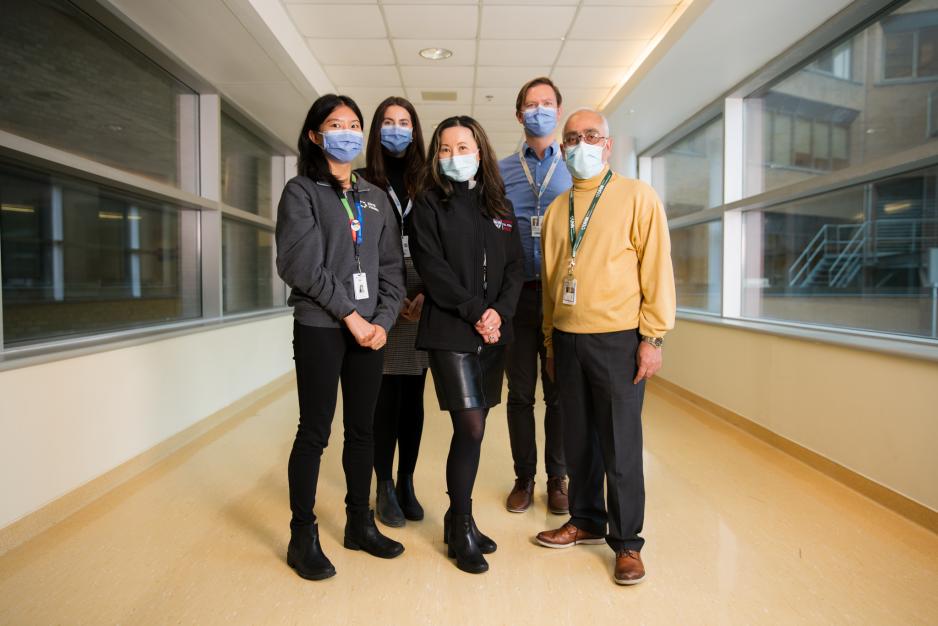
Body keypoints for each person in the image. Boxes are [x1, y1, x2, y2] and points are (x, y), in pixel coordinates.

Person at [535, 108, 675, 586]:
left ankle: (628, 544)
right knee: (578, 440)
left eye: (590, 135)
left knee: (620, 444)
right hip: (569, 341)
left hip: (619, 340)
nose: (581, 144)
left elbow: (657, 271)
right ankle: (586, 519)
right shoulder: (556, 211)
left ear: (608, 144)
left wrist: (653, 337)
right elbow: (550, 284)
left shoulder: (637, 197)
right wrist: (551, 343)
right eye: (571, 138)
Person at [276, 94, 406, 581]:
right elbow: (299, 265)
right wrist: (352, 317)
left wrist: (383, 322)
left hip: (370, 331)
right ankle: (302, 535)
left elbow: (391, 267)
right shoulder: (301, 192)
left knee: (364, 431)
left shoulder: (373, 196)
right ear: (316, 134)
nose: (348, 131)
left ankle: (359, 524)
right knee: (315, 431)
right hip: (321, 327)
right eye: (337, 124)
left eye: (354, 123)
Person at [409, 116, 524, 574]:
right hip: (452, 329)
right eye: (446, 148)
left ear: (481, 151)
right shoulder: (427, 205)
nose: (455, 155)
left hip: (494, 331)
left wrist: (500, 312)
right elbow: (432, 270)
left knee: (476, 428)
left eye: (464, 146)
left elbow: (515, 267)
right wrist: (478, 312)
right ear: (436, 156)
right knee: (471, 427)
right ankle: (460, 526)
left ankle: (463, 520)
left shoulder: (500, 205)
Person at [497, 77, 572, 515]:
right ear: (519, 114)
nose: (539, 110)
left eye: (547, 103)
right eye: (531, 104)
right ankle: (524, 477)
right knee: (521, 393)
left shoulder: (575, 169)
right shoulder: (504, 170)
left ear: (558, 111)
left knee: (558, 391)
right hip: (518, 295)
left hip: (563, 297)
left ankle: (558, 478)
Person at [357, 97, 429, 528]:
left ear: (415, 130)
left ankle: (406, 481)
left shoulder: (429, 180)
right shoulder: (363, 180)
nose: (397, 129)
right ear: (376, 130)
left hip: (422, 297)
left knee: (413, 399)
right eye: (388, 122)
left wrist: (429, 293)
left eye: (404, 122)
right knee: (383, 399)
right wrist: (389, 294)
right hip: (379, 298)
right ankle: (382, 484)